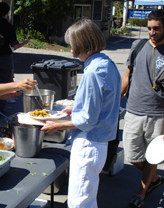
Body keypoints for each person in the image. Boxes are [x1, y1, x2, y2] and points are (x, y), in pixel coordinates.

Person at [41, 19, 121, 208]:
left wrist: (57, 125)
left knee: (79, 202)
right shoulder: (107, 64)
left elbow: (87, 119)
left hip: (88, 143)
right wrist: (75, 108)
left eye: (72, 45)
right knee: (87, 197)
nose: (70, 50)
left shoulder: (92, 71)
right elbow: (99, 104)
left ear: (83, 44)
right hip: (99, 143)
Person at [120, 9, 164, 208]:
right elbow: (127, 76)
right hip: (134, 111)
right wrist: (115, 102)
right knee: (132, 156)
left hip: (159, 114)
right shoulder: (138, 45)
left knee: (152, 156)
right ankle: (154, 180)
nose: (152, 32)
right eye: (149, 28)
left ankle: (141, 193)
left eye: (156, 28)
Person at [0, 2, 30, 116]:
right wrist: (24, 43)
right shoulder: (9, 27)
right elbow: (15, 46)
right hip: (5, 57)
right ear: (7, 12)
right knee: (3, 82)